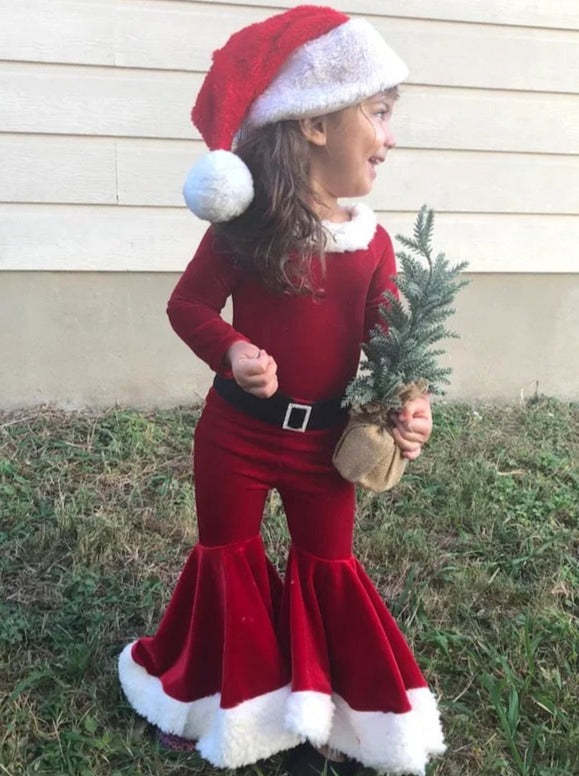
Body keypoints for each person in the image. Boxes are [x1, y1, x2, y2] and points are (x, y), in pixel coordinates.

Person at [117, 5, 445, 775]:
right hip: (234, 434)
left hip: (323, 445)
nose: (390, 135)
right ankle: (211, 701)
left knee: (326, 562)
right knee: (226, 557)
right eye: (378, 112)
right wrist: (230, 350)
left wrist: (412, 403)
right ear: (316, 124)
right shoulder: (246, 227)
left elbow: (391, 344)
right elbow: (187, 306)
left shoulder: (370, 245)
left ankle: (329, 707)